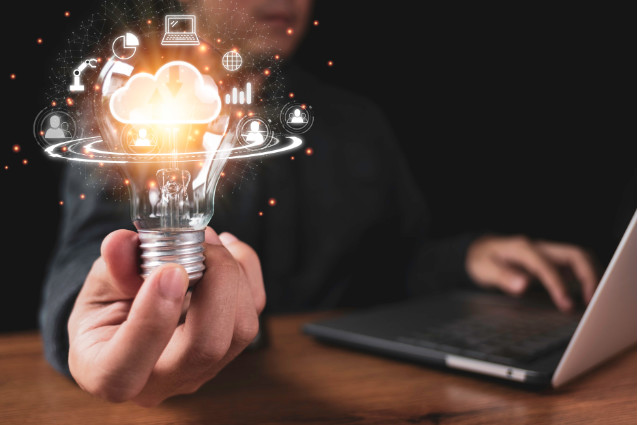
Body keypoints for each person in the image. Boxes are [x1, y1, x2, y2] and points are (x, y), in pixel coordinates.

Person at [40, 0, 598, 407]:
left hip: (357, 394)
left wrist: (467, 256)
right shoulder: (128, 117)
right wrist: (85, 324)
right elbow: (90, 254)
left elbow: (389, 265)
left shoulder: (356, 122)